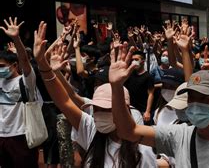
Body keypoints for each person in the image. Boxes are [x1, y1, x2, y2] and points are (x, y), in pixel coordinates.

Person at [108, 43, 209, 167]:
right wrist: (116, 87)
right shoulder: (179, 135)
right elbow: (128, 131)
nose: (195, 103)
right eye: (191, 97)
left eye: (203, 98)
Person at [32, 21, 156, 167]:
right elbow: (65, 101)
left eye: (106, 109)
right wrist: (42, 64)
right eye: (96, 108)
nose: (99, 114)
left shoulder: (141, 151)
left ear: (124, 110)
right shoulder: (91, 128)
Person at [0, 17, 39, 167]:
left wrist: (16, 39)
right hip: (1, 136)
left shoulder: (25, 81)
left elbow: (25, 61)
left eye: (2, 65)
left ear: (14, 65)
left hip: (21, 136)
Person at [124, 50, 155, 125]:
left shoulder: (148, 76)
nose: (134, 62)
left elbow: (151, 94)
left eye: (136, 59)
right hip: (129, 108)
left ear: (143, 61)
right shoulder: (129, 74)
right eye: (132, 60)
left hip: (141, 110)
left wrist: (147, 111)